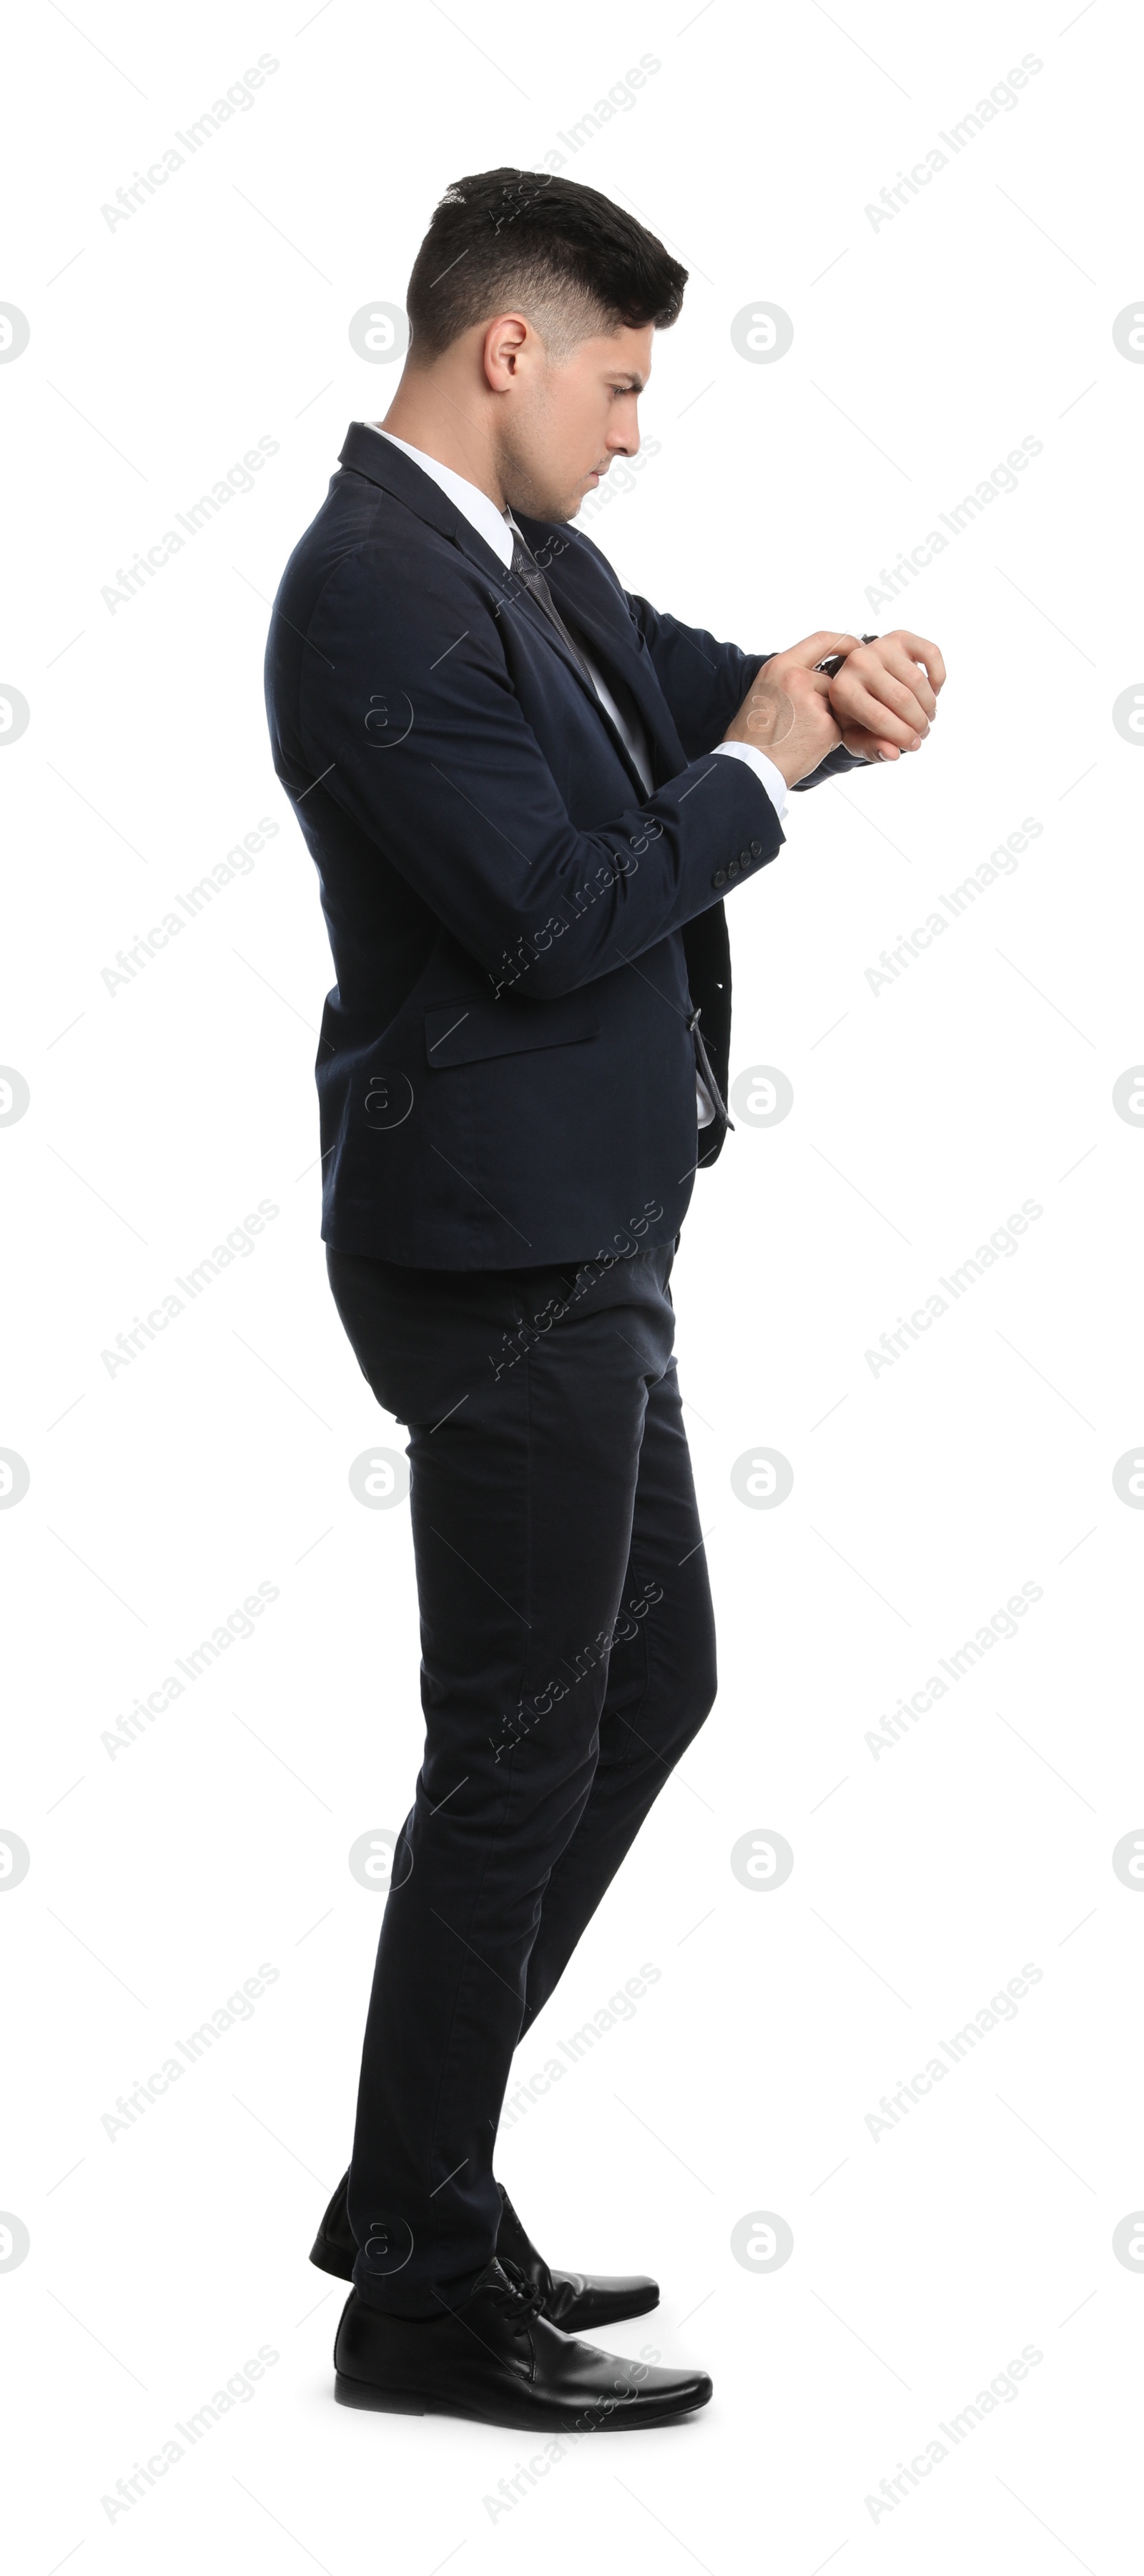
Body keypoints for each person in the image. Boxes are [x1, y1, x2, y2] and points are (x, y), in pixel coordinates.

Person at [264, 165, 944, 2433]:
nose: (639, 429)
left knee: (652, 1679)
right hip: (498, 1256)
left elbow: (691, 704)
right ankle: (424, 2291)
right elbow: (562, 910)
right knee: (519, 1751)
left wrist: (817, 688)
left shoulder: (515, 555)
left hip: (589, 1238)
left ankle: (423, 2181)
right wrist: (761, 764)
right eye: (625, 384)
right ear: (510, 353)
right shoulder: (367, 598)